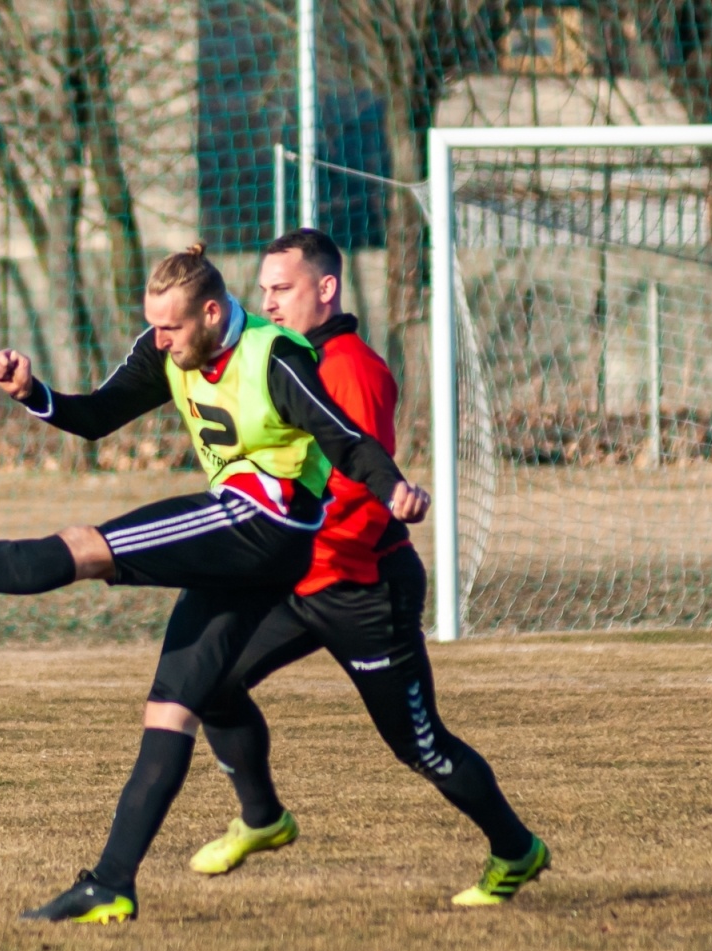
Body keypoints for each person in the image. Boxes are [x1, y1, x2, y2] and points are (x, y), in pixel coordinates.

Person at [0, 243, 429, 923]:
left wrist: (395, 488)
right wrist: (35, 394)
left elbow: (346, 438)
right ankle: (112, 881)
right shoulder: (168, 346)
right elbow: (97, 417)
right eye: (154, 326)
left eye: (172, 328)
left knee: (88, 549)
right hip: (242, 538)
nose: (161, 342)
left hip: (267, 522)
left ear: (210, 311)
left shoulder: (276, 355)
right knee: (172, 704)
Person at [180, 229, 549, 908]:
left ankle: (516, 850)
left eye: (281, 289)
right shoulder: (278, 354)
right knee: (207, 685)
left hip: (362, 588)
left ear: (326, 290)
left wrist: (273, 540)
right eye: (262, 290)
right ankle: (263, 819)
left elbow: (364, 491)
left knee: (421, 747)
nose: (268, 302)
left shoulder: (350, 368)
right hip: (298, 580)